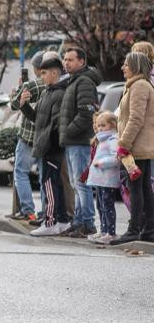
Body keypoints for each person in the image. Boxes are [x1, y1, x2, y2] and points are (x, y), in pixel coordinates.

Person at [23, 54, 71, 237]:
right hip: (46, 146)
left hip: (52, 148)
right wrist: (24, 106)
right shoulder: (47, 92)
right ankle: (62, 221)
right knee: (54, 184)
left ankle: (50, 221)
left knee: (49, 185)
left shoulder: (59, 93)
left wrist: (47, 141)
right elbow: (37, 119)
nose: (41, 76)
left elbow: (57, 124)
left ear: (54, 73)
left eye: (44, 73)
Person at [110, 52, 154, 245]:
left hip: (137, 147)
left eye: (126, 64)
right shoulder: (136, 85)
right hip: (139, 145)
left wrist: (123, 145)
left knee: (136, 188)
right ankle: (148, 229)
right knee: (143, 188)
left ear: (136, 66)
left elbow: (136, 118)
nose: (123, 67)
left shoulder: (140, 86)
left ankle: (134, 229)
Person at [58, 47, 100, 238]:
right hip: (73, 141)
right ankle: (79, 221)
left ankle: (87, 224)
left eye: (70, 60)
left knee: (81, 183)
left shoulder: (83, 82)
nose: (66, 63)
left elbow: (86, 113)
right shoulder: (73, 81)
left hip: (80, 141)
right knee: (77, 183)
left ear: (82, 62)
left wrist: (68, 131)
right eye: (65, 59)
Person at [8, 53, 45, 222]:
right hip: (46, 137)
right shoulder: (58, 85)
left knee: (21, 172)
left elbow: (15, 104)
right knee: (44, 176)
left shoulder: (32, 85)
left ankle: (28, 209)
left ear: (37, 68)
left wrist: (16, 92)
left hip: (28, 136)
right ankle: (46, 211)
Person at [87, 112, 120, 244]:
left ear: (112, 125)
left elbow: (116, 158)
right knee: (100, 206)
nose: (100, 128)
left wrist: (101, 163)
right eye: (98, 125)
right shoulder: (102, 140)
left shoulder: (113, 139)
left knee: (107, 205)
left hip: (108, 180)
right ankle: (103, 230)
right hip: (100, 180)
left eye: (103, 125)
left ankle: (111, 233)